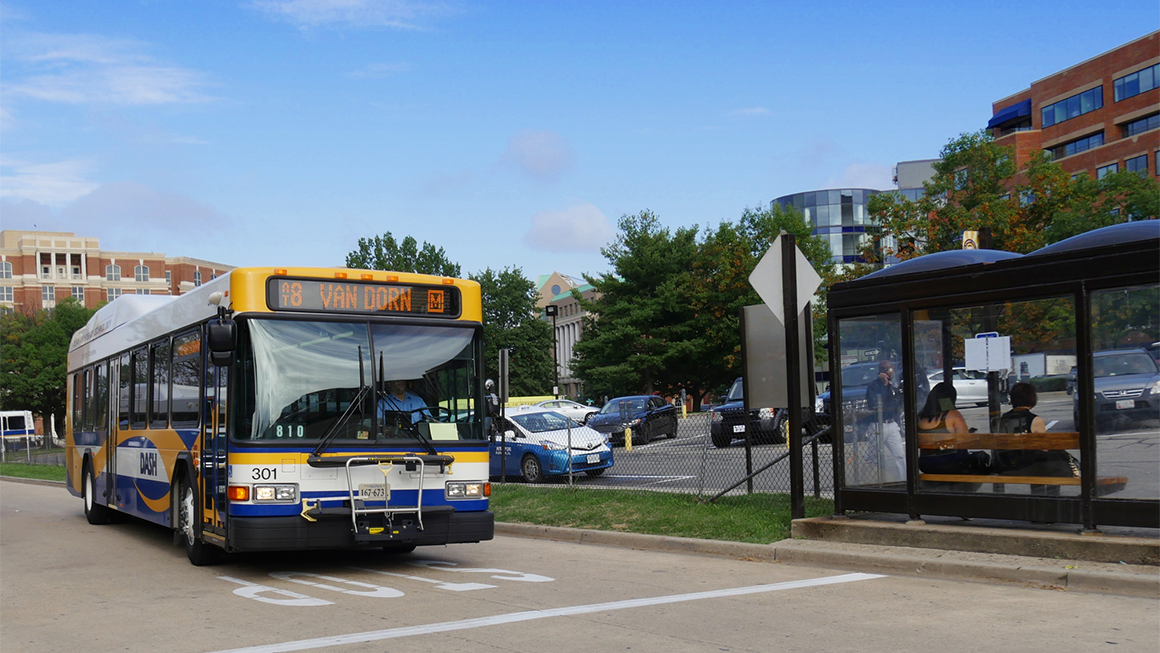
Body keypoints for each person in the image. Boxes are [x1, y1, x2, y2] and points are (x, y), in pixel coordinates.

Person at [995, 382, 1076, 496]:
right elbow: (1044, 447)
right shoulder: (1035, 420)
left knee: (1038, 460)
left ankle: (1037, 497)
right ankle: (1053, 498)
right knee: (1051, 462)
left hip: (1008, 465)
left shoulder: (1004, 419)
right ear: (1032, 399)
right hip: (1030, 467)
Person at [916, 382, 990, 488]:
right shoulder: (952, 415)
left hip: (926, 464)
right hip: (951, 463)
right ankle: (964, 494)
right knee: (981, 460)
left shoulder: (920, 417)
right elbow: (966, 441)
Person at [864, 360, 905, 482]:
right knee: (872, 456)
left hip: (891, 424)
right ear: (883, 372)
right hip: (878, 425)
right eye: (890, 370)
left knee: (899, 455)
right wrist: (883, 385)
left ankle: (903, 480)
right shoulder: (874, 386)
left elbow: (896, 402)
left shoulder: (892, 386)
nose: (893, 372)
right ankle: (869, 479)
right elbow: (876, 403)